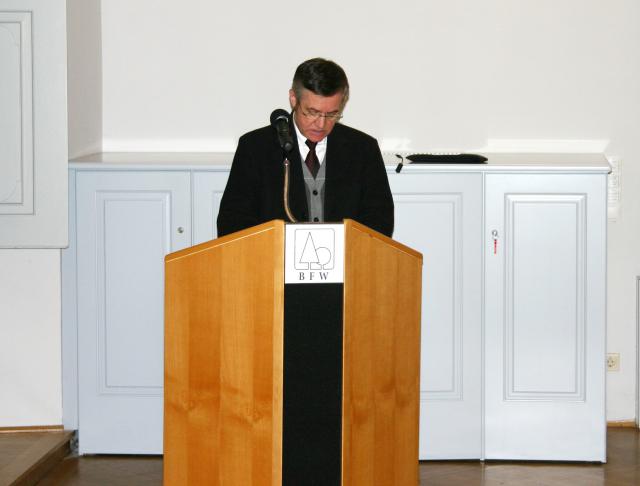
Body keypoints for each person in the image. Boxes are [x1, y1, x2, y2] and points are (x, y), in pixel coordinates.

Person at [217, 58, 394, 238]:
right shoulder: (255, 148)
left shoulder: (364, 149)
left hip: (347, 263)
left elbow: (380, 221)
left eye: (332, 114)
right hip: (273, 263)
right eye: (312, 112)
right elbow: (233, 223)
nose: (321, 124)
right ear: (293, 99)